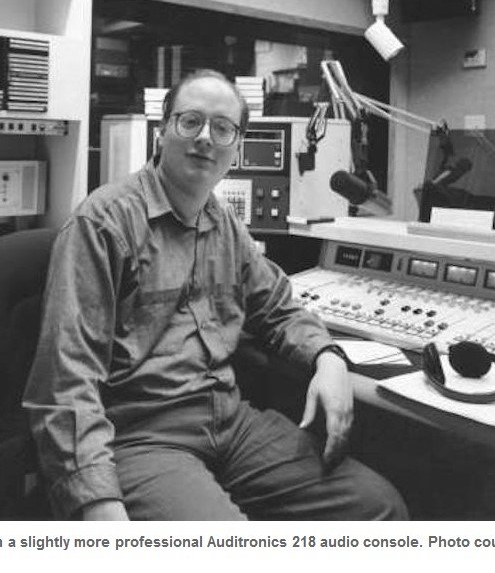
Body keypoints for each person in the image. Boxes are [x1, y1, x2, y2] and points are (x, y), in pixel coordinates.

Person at [25, 69, 407, 521]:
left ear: (236, 147)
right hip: (142, 436)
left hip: (230, 424)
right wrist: (97, 504)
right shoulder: (103, 223)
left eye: (223, 128)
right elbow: (66, 382)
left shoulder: (224, 223)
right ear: (162, 130)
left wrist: (328, 358)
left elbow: (278, 308)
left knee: (378, 507)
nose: (206, 137)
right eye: (190, 122)